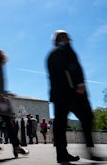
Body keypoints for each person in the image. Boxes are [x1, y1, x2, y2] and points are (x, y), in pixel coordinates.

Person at [46, 30, 104, 162]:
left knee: (60, 124)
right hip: (72, 92)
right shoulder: (65, 50)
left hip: (58, 94)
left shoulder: (51, 54)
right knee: (87, 117)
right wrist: (79, 84)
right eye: (65, 36)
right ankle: (89, 149)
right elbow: (73, 67)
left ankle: (61, 153)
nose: (68, 38)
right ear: (61, 38)